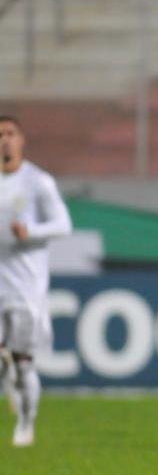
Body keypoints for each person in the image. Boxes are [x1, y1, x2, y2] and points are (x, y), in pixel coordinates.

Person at [0, 116, 72, 448]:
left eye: (10, 134)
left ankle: (26, 422)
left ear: (22, 140)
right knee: (7, 358)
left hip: (25, 290)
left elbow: (63, 224)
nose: (5, 140)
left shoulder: (37, 182)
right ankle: (8, 376)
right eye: (0, 135)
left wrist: (32, 232)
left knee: (24, 362)